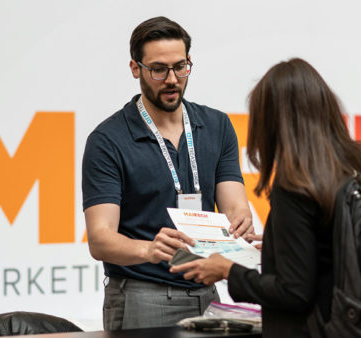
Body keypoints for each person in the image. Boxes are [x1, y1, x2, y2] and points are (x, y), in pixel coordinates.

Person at [170, 58, 361, 337]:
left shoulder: (296, 183)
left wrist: (228, 271)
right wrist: (277, 248)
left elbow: (293, 293)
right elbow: (340, 248)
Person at [82, 16, 253, 330]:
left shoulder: (217, 126)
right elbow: (100, 239)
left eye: (180, 66)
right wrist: (148, 249)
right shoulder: (108, 140)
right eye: (158, 69)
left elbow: (235, 205)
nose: (172, 79)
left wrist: (241, 220)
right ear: (136, 68)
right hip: (141, 295)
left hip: (207, 290)